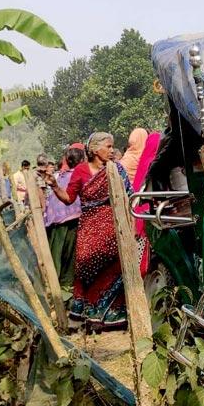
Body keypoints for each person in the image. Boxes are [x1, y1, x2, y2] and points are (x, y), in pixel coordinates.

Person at [45, 132, 136, 327]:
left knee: (113, 266)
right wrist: (53, 185)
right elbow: (69, 198)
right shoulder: (80, 171)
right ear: (94, 150)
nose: (112, 151)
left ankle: (111, 314)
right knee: (86, 264)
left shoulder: (117, 169)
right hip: (89, 226)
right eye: (108, 147)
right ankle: (88, 311)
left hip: (113, 226)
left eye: (113, 147)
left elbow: (129, 195)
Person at [45, 146, 85, 289]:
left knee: (56, 256)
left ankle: (54, 287)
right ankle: (66, 287)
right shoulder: (79, 176)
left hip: (54, 220)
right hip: (71, 220)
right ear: (82, 160)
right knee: (69, 257)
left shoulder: (60, 176)